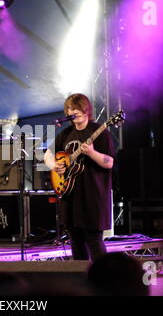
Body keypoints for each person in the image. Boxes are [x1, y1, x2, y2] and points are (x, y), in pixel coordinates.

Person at [44, 93, 115, 261]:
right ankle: (81, 280)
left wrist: (91, 152)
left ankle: (103, 279)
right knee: (75, 241)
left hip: (92, 195)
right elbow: (48, 154)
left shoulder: (99, 132)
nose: (72, 111)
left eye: (75, 108)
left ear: (85, 110)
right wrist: (54, 165)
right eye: (69, 109)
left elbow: (109, 162)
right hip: (70, 195)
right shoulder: (66, 133)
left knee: (93, 240)